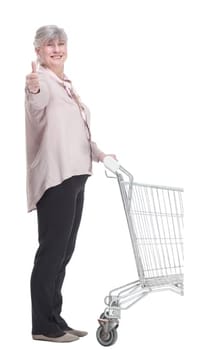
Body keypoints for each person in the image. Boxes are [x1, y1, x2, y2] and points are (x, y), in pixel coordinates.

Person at [25, 24, 117, 343]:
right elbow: (36, 109)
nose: (56, 49)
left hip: (78, 176)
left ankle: (56, 318)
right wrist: (33, 89)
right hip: (57, 177)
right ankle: (42, 326)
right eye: (49, 45)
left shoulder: (66, 84)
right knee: (51, 252)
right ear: (38, 51)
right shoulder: (44, 83)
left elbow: (79, 133)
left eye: (61, 43)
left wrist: (102, 155)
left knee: (64, 252)